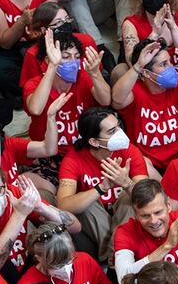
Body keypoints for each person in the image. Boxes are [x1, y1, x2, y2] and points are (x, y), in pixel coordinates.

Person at [0, 158, 80, 284]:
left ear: (5, 186)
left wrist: (40, 207)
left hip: (26, 267)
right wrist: (19, 214)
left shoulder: (14, 193)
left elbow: (75, 227)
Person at [56, 106, 150, 261]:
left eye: (118, 127)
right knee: (87, 203)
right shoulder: (73, 159)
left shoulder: (129, 151)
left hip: (124, 218)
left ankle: (113, 259)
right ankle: (117, 259)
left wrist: (126, 183)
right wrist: (102, 187)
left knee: (130, 199)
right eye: (112, 131)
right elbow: (63, 206)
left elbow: (149, 196)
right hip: (96, 224)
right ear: (93, 141)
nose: (120, 133)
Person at [112, 39, 178, 177]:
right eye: (164, 64)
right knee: (139, 161)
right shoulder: (135, 91)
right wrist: (138, 65)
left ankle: (174, 191)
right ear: (146, 73)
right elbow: (117, 99)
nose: (171, 68)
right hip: (150, 166)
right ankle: (165, 195)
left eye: (170, 62)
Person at [23, 29, 111, 168]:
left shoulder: (84, 76)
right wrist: (53, 65)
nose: (74, 62)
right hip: (49, 154)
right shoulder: (34, 83)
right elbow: (35, 109)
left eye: (76, 56)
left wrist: (95, 74)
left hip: (84, 150)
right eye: (66, 56)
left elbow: (106, 100)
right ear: (48, 59)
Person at [16, 222, 115, 284]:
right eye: (57, 265)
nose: (65, 268)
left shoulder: (84, 260)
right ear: (39, 259)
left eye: (69, 260)